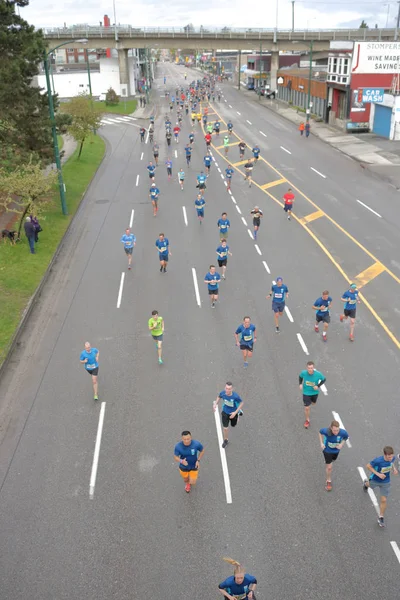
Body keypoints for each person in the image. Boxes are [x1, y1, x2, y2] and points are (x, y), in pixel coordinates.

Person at [363, 446, 398, 527]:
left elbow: (392, 463)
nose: (391, 458)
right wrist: (378, 474)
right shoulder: (378, 460)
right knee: (369, 484)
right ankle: (365, 484)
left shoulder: (392, 458)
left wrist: (394, 469)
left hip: (386, 481)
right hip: (375, 480)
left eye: (392, 456)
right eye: (389, 457)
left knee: (384, 500)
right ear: (385, 455)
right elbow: (368, 466)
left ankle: (381, 517)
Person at [319, 420, 349, 491]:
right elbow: (320, 432)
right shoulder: (326, 431)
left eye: (337, 430)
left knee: (333, 460)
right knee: (329, 467)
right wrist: (321, 443)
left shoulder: (343, 432)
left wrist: (341, 444)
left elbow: (346, 437)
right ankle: (328, 480)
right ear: (331, 428)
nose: (336, 432)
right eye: (334, 430)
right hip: (327, 450)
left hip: (336, 451)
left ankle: (329, 462)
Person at [213, 382, 244, 448]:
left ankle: (238, 413)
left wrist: (235, 413)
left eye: (229, 389)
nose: (227, 390)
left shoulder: (235, 396)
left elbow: (241, 403)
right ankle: (226, 440)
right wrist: (215, 404)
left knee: (233, 425)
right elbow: (219, 396)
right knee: (225, 428)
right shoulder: (223, 393)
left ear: (232, 389)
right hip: (225, 412)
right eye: (226, 388)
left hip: (233, 412)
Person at [299, 360, 326, 429]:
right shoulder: (304, 373)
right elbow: (300, 377)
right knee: (307, 407)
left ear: (313, 368)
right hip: (306, 392)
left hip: (314, 393)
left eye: (311, 368)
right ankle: (307, 420)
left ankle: (311, 402)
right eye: (308, 368)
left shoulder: (318, 374)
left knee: (313, 403)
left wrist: (318, 386)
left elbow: (324, 379)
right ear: (306, 368)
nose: (310, 370)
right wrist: (300, 384)